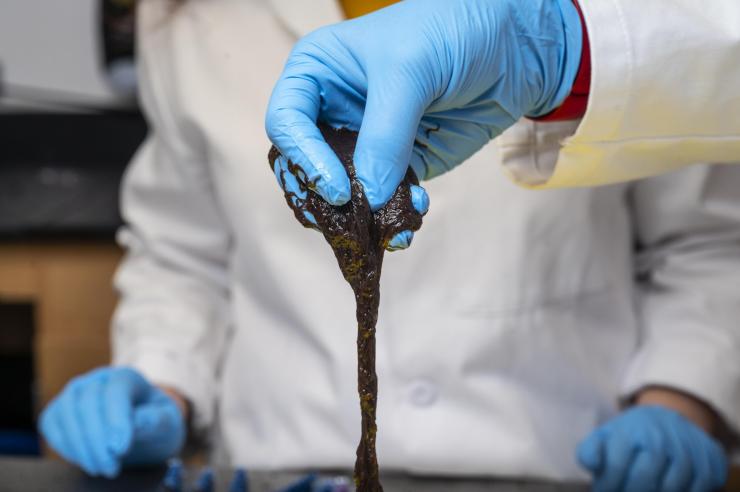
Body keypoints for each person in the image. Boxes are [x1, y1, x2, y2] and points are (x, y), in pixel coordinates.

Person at [39, 1, 739, 491]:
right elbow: (183, 255)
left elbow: (704, 243)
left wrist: (677, 402)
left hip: (555, 462)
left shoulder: (593, 18)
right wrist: (163, 383)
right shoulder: (196, 17)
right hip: (283, 460)